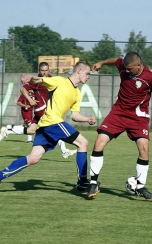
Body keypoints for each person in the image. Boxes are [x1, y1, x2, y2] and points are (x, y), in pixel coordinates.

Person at [87, 52, 152, 200]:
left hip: (138, 118)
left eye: (130, 69)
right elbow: (116, 60)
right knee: (99, 142)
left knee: (144, 147)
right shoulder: (123, 66)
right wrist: (101, 62)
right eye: (125, 69)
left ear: (139, 65)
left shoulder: (151, 78)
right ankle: (93, 183)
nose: (126, 72)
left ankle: (140, 187)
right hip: (118, 113)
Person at [0, 61, 96, 191]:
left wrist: (87, 119)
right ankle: (82, 181)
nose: (88, 76)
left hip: (46, 125)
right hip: (52, 122)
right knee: (83, 143)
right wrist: (30, 78)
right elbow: (39, 79)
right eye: (87, 73)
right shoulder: (59, 81)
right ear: (79, 71)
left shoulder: (77, 93)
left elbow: (75, 115)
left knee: (33, 158)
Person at [0, 62, 76, 159]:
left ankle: (8, 130)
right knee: (56, 127)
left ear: (49, 70)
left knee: (31, 130)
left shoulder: (51, 79)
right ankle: (65, 150)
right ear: (39, 71)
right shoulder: (36, 81)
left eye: (46, 70)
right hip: (42, 110)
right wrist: (30, 100)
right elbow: (23, 89)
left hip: (45, 111)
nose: (44, 72)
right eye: (42, 70)